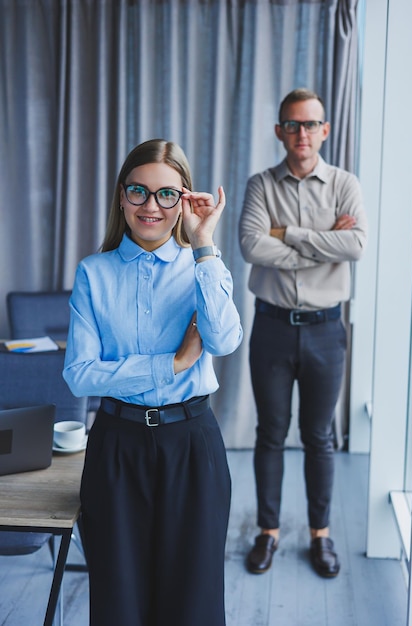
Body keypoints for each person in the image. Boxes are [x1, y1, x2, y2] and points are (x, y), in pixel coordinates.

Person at [63, 138, 243, 626]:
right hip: (116, 448)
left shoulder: (204, 266)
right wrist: (171, 364)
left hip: (192, 446)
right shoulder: (93, 273)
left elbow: (224, 340)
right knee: (119, 601)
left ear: (184, 200)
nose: (150, 206)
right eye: (138, 191)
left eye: (167, 194)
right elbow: (79, 375)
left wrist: (204, 242)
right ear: (121, 197)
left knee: (194, 603)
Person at [239, 88, 368, 578]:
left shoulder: (344, 183)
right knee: (270, 434)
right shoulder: (259, 185)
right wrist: (323, 243)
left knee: (319, 437)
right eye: (292, 125)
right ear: (279, 131)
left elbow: (355, 245)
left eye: (310, 124)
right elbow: (252, 245)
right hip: (271, 328)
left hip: (325, 331)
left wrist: (287, 233)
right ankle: (267, 532)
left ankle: (321, 535)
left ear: (325, 130)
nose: (302, 134)